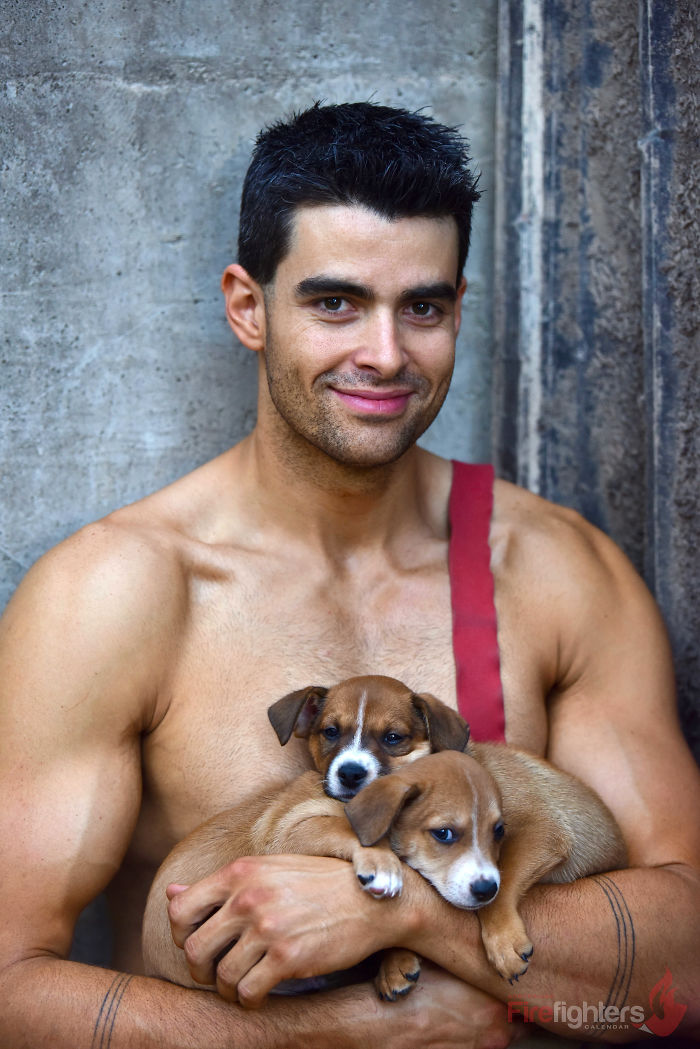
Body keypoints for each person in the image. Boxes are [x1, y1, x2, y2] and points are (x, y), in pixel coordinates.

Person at [0, 100, 698, 1049]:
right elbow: (11, 980)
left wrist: (405, 911)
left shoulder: (555, 572)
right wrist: (334, 1032)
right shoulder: (116, 594)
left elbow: (690, 962)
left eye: (423, 308)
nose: (385, 354)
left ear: (458, 309)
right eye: (335, 303)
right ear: (248, 307)